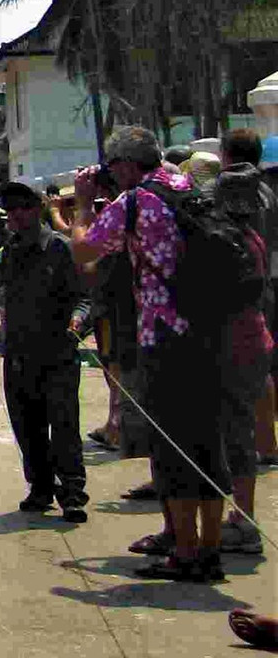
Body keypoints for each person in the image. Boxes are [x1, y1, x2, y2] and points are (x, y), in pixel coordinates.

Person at [67, 128, 232, 581]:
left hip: (165, 337)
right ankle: (209, 547)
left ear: (124, 163)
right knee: (207, 443)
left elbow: (83, 250)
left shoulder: (136, 202)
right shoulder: (188, 186)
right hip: (208, 331)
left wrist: (83, 205)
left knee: (174, 447)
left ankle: (185, 553)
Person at [0, 178, 91, 521]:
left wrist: (77, 321)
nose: (16, 215)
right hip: (19, 354)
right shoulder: (10, 251)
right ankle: (40, 487)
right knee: (27, 425)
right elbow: (3, 292)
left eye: (23, 207)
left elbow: (85, 297)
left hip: (57, 353)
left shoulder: (60, 248)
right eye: (10, 209)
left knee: (63, 425)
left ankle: (72, 492)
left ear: (38, 209)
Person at [211, 128, 272, 556]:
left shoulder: (232, 243)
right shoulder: (253, 234)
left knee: (234, 434)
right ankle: (241, 516)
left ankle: (243, 521)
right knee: (241, 429)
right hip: (254, 332)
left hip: (236, 340)